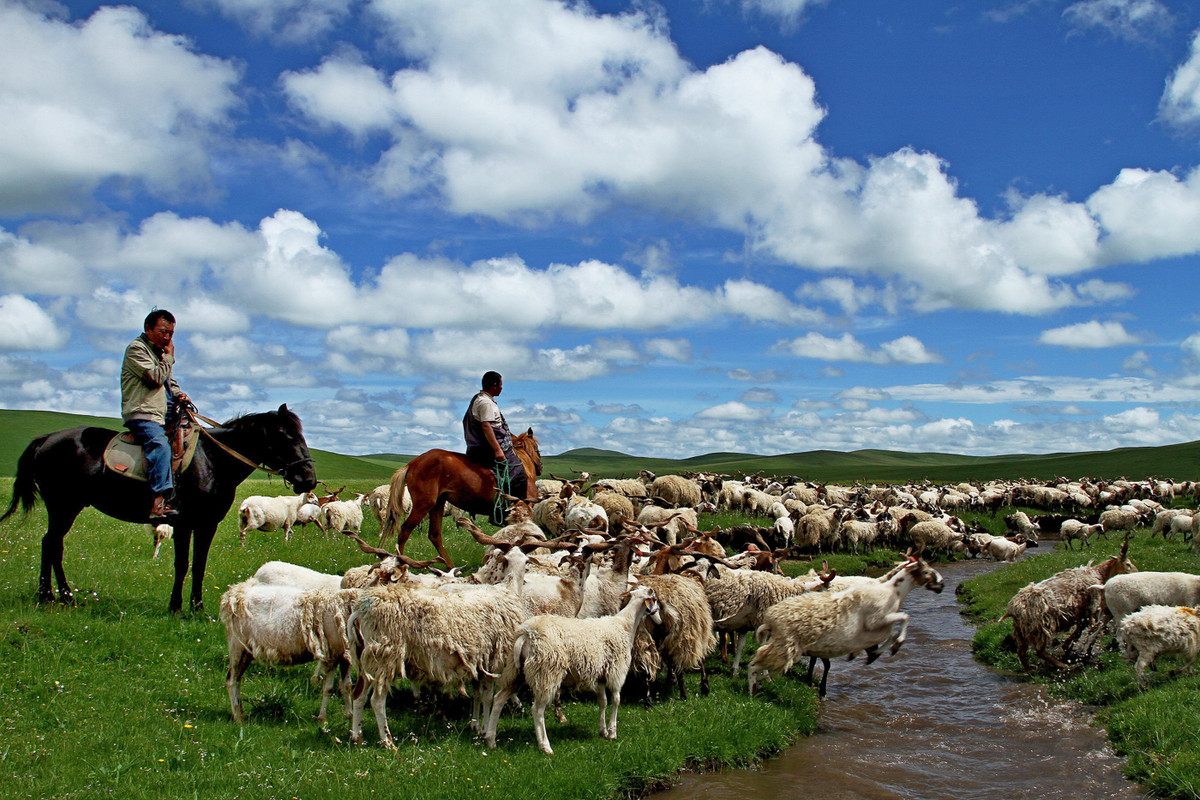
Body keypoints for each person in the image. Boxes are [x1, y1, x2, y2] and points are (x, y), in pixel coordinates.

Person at [121, 309, 189, 520]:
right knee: (159, 445)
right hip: (144, 414)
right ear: (147, 328)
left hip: (165, 413)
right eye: (162, 332)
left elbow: (169, 383)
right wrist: (169, 357)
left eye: (170, 333)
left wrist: (180, 395)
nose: (167, 337)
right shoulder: (136, 349)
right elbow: (155, 378)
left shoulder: (158, 354)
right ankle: (159, 502)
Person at [462, 371, 527, 501]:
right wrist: (498, 450)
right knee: (519, 473)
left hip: (477, 446)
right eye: (501, 385)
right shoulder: (486, 403)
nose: (502, 388)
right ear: (494, 385)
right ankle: (512, 508)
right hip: (487, 448)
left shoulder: (478, 398)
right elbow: (487, 426)